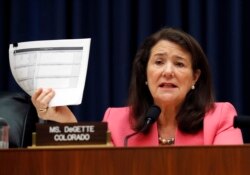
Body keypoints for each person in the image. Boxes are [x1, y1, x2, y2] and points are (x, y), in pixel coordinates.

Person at [31, 27, 243, 146]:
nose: (168, 71)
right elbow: (95, 167)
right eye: (159, 62)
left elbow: (230, 168)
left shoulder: (221, 118)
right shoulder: (116, 121)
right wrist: (68, 123)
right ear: (145, 74)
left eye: (179, 64)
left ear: (195, 77)